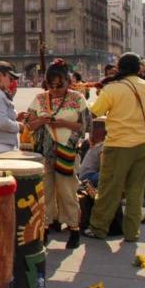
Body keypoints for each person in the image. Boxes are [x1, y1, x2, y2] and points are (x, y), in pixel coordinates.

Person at [85, 53, 145, 242]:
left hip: (118, 145)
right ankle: (132, 232)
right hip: (143, 145)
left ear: (118, 67)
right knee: (135, 191)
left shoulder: (112, 89)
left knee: (109, 189)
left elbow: (94, 112)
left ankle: (99, 228)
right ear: (139, 68)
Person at [25, 60, 91, 249]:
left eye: (59, 85)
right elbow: (29, 125)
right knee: (45, 192)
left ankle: (74, 229)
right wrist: (41, 120)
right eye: (51, 85)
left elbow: (85, 126)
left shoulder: (77, 98)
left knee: (68, 191)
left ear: (68, 82)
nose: (55, 90)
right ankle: (45, 228)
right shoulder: (39, 99)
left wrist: (63, 123)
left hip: (67, 151)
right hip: (44, 152)